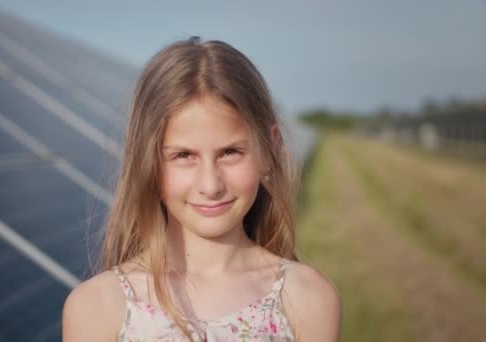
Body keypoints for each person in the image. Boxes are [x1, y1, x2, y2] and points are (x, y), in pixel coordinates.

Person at [63, 37, 341, 341]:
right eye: (183, 156)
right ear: (147, 162)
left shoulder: (306, 299)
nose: (210, 185)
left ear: (270, 149)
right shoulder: (99, 307)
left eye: (231, 152)